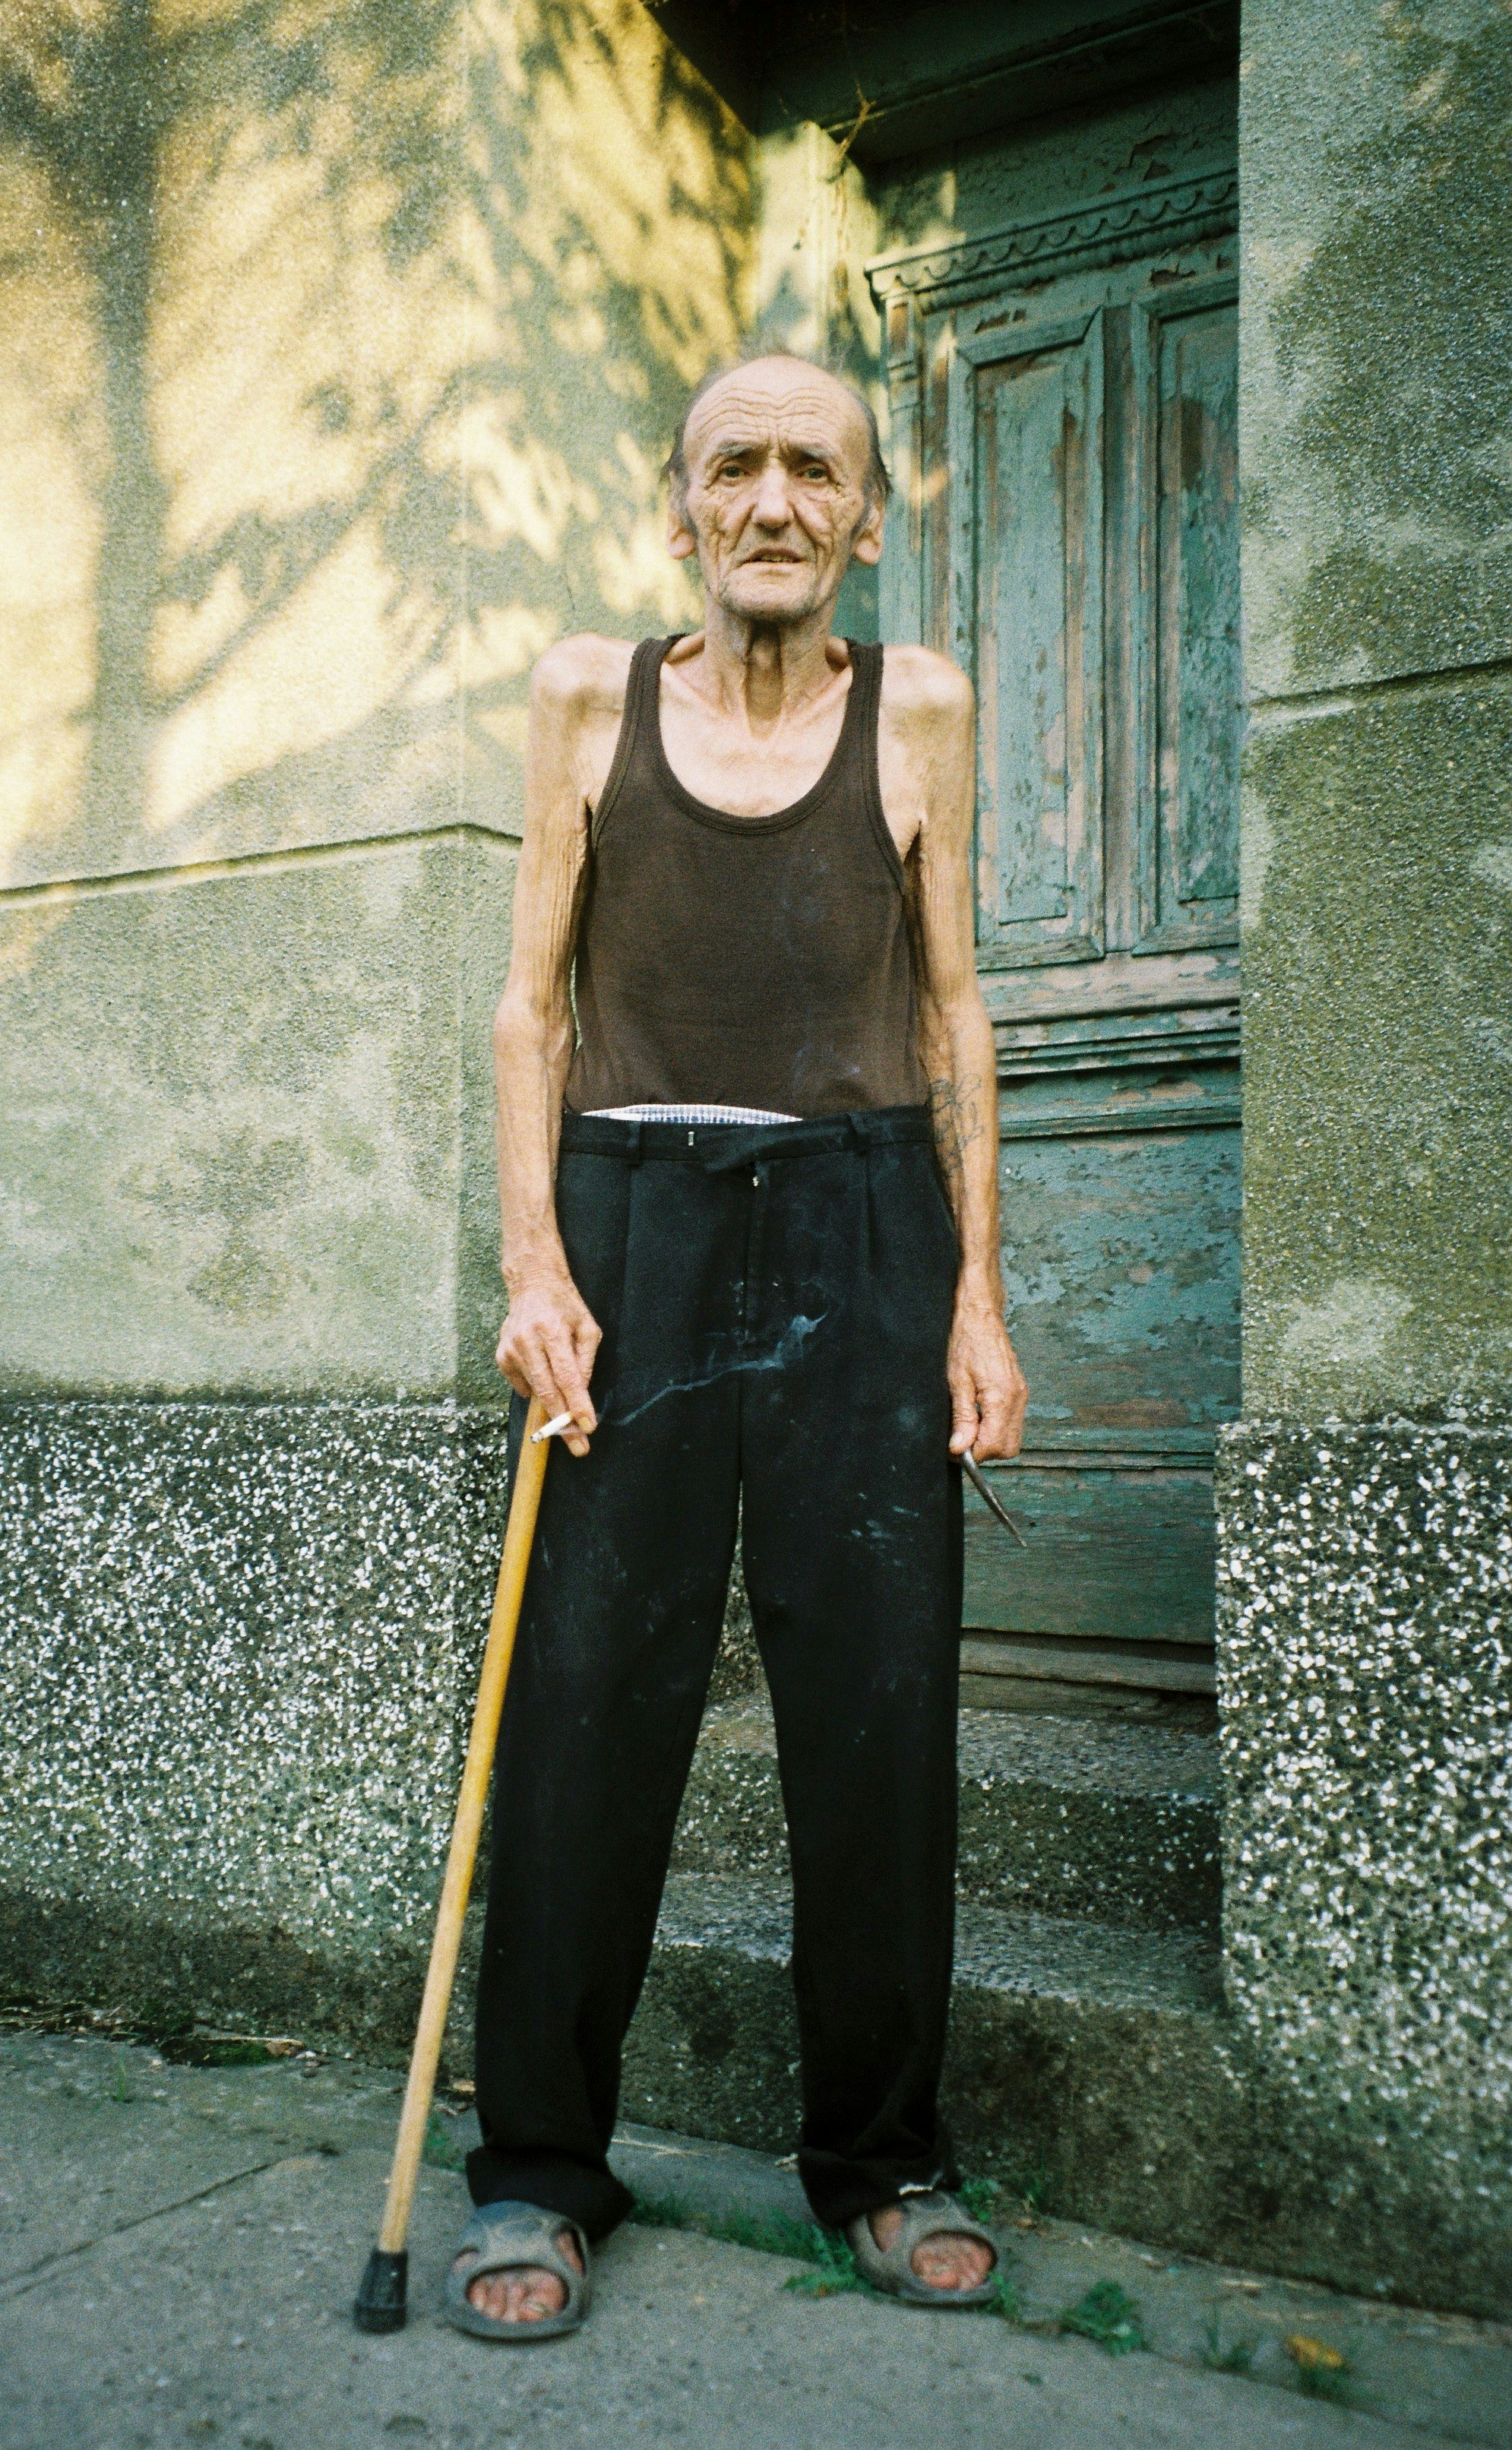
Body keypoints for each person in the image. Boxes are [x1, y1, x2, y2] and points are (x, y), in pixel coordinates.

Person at [445, 353, 1028, 2340]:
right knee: (586, 1707)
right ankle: (535, 2170)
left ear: (866, 517)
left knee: (875, 1715)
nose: (771, 497)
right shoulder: (582, 695)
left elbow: (955, 1018)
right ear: (678, 506)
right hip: (632, 1223)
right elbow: (530, 1010)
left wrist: (975, 1292)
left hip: (866, 1223)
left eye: (814, 470)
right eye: (734, 467)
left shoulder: (920, 702)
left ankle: (881, 2159)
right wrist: (533, 1263)